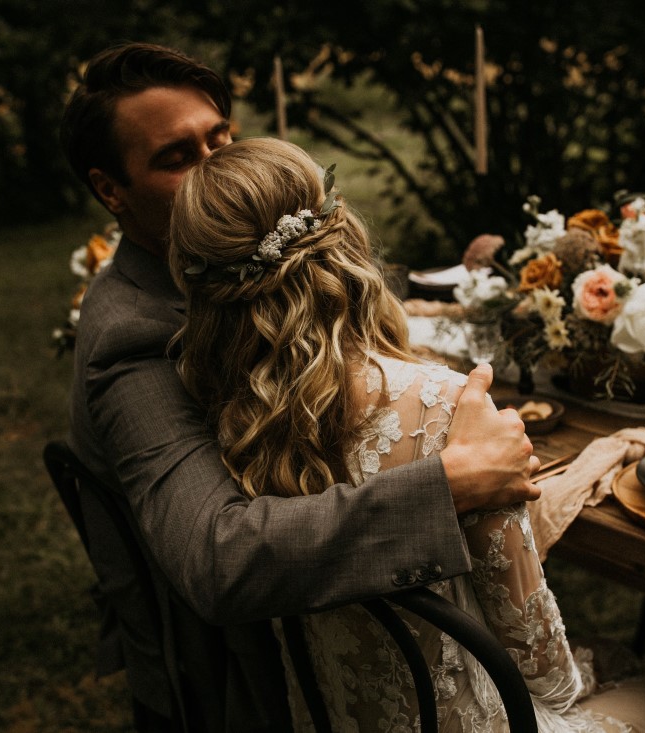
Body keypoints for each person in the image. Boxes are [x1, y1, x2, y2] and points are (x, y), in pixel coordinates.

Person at [59, 42, 541, 731]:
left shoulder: (214, 275)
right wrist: (452, 483)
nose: (216, 168)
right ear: (111, 189)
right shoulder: (136, 338)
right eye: (176, 157)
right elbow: (217, 555)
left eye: (220, 138)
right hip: (242, 669)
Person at [166, 137, 645, 732]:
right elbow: (547, 673)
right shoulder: (449, 407)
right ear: (342, 234)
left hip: (327, 721)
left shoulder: (228, 415)